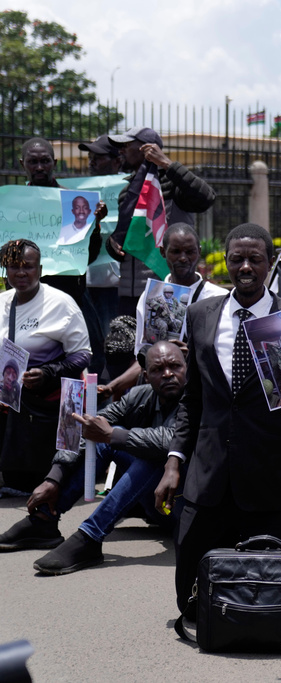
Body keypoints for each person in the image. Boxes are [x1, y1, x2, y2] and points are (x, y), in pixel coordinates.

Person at [153, 223, 281, 625]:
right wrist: (173, 461)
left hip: (270, 480)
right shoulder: (201, 315)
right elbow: (193, 399)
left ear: (270, 263)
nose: (246, 267)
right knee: (190, 599)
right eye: (237, 258)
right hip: (209, 478)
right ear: (226, 263)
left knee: (275, 598)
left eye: (255, 258)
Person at [0, 342, 187, 575]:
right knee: (102, 434)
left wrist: (113, 435)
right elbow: (87, 428)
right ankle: (44, 520)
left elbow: (170, 440)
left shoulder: (198, 400)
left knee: (150, 454)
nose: (168, 374)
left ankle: (90, 536)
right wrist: (53, 478)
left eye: (175, 366)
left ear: (186, 367)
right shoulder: (140, 396)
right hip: (152, 503)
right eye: (159, 369)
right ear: (146, 376)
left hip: (179, 508)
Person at [0, 240, 91, 493]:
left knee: (36, 481)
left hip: (48, 402)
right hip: (9, 400)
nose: (20, 273)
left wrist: (48, 372)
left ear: (39, 269)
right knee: (15, 480)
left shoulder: (61, 304)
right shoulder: (2, 303)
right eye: (13, 267)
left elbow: (83, 355)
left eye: (27, 267)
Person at [100, 223, 226, 402]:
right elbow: (144, 358)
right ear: (162, 252)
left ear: (198, 252)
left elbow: (228, 354)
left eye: (189, 252)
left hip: (205, 394)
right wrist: (113, 386)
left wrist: (194, 356)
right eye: (176, 251)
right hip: (162, 397)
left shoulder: (219, 298)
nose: (183, 258)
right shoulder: (150, 296)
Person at [107, 127, 217, 316]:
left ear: (146, 148)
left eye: (126, 145)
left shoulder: (173, 184)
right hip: (128, 293)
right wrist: (112, 244)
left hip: (166, 292)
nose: (121, 151)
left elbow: (207, 197)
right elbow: (125, 239)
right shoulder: (127, 192)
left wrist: (166, 163)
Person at [20, 138, 105, 373]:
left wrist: (94, 226)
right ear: (22, 164)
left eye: (45, 161)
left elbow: (87, 258)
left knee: (90, 357)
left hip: (71, 294)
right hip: (26, 297)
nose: (39, 167)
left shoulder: (75, 204)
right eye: (33, 161)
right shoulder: (11, 206)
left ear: (54, 162)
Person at [79, 134, 124, 363]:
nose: (91, 162)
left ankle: (111, 393)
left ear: (117, 161)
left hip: (113, 284)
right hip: (84, 282)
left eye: (98, 157)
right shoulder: (77, 192)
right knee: (90, 349)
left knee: (112, 348)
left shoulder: (130, 191)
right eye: (90, 156)